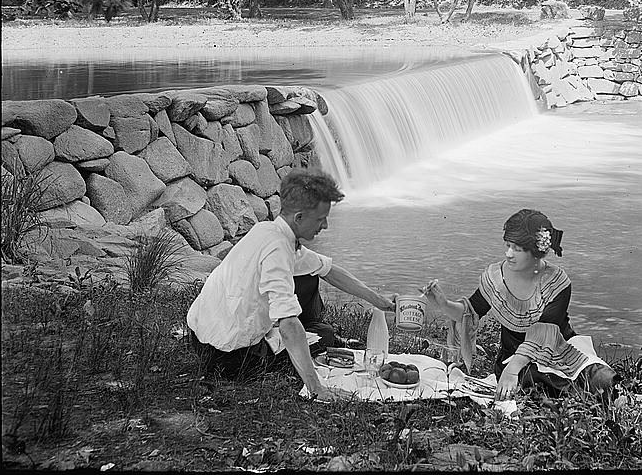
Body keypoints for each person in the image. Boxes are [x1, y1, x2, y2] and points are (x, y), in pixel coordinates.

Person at [186, 169, 395, 399]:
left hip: (199, 336)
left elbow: (328, 270)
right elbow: (287, 325)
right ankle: (303, 345)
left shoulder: (268, 230)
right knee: (323, 335)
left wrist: (377, 300)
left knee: (312, 276)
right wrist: (317, 388)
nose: (325, 225)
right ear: (299, 218)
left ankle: (308, 331)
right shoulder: (278, 250)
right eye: (320, 219)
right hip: (228, 356)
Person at [423, 209, 617, 401]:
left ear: (535, 252)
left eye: (517, 249)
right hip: (514, 360)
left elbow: (544, 334)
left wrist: (512, 370)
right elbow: (470, 312)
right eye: (508, 245)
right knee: (536, 383)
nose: (508, 254)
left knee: (604, 380)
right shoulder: (496, 278)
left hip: (560, 351)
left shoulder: (557, 282)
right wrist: (443, 304)